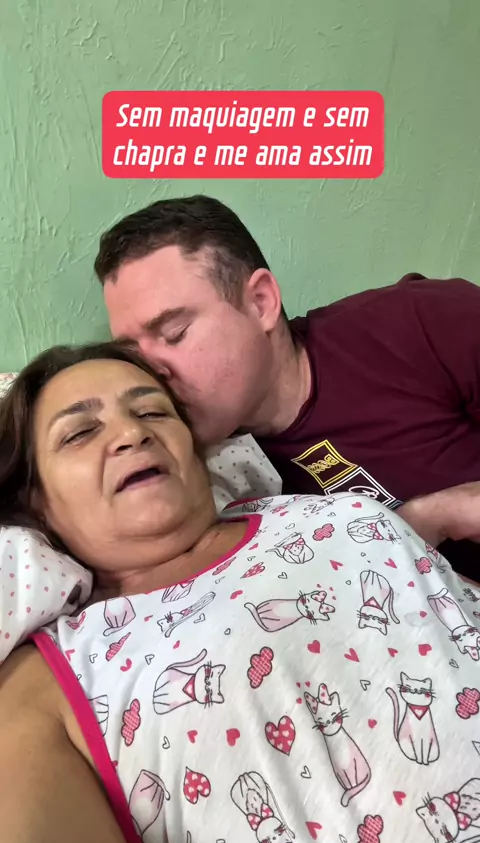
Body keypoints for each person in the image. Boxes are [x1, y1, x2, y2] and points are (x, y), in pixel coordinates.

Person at [1, 341, 480, 843]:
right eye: (79, 433)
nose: (132, 433)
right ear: (35, 500)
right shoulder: (50, 679)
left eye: (152, 412)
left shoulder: (329, 511)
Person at [94, 194, 480, 581]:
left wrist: (446, 514)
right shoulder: (204, 475)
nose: (152, 374)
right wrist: (422, 519)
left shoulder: (422, 322)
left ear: (260, 302)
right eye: (134, 356)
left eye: (174, 333)